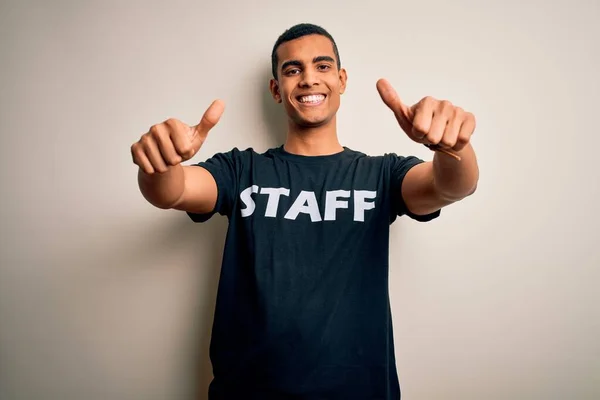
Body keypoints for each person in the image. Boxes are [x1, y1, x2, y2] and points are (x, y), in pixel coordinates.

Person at [130, 23, 479, 400]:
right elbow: (172, 191)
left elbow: (451, 185)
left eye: (323, 66)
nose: (309, 79)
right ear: (276, 89)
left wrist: (452, 148)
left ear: (342, 80)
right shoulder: (241, 170)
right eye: (293, 70)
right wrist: (159, 164)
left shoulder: (381, 173)